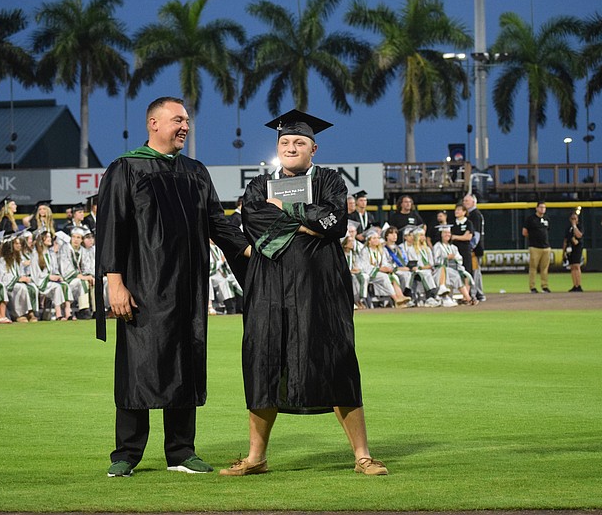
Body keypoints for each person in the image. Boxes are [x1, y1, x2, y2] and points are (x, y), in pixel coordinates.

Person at [220, 109, 386, 477]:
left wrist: (289, 214)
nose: (291, 147)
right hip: (269, 286)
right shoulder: (259, 187)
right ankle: (255, 457)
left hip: (321, 287)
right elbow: (255, 222)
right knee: (264, 361)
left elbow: (336, 222)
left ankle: (362, 456)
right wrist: (309, 223)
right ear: (278, 149)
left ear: (314, 148)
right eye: (285, 142)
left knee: (337, 360)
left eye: (299, 142)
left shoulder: (329, 179)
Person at [95, 96, 250, 478]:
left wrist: (252, 250)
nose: (185, 126)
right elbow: (111, 227)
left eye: (187, 121)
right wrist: (115, 283)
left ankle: (181, 451)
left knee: (186, 363)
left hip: (189, 288)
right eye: (177, 119)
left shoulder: (196, 172)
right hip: (143, 285)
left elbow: (218, 223)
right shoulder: (126, 168)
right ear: (153, 123)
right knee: (138, 366)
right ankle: (127, 453)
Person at [30, 229, 72, 320]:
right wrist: (49, 277)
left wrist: (58, 276)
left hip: (50, 280)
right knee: (57, 287)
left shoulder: (50, 253)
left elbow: (54, 269)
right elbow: (35, 273)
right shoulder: (36, 254)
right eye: (47, 237)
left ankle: (68, 313)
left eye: (50, 237)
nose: (50, 239)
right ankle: (58, 314)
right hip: (41, 282)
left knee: (65, 285)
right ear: (41, 239)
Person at [522, 201, 551, 293]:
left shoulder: (547, 219)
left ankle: (544, 286)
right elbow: (524, 232)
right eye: (541, 207)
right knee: (533, 268)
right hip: (535, 247)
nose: (542, 209)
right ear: (537, 208)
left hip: (546, 247)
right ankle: (532, 287)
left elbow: (547, 230)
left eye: (544, 207)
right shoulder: (531, 219)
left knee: (545, 268)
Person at [462, 194, 486, 301]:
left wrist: (471, 247)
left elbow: (476, 234)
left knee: (474, 271)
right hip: (474, 248)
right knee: (476, 272)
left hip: (475, 249)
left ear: (473, 202)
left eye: (467, 201)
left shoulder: (474, 215)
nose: (465, 202)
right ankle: (479, 293)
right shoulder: (470, 214)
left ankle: (475, 293)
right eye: (464, 201)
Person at [563, 210, 584, 292]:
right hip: (569, 249)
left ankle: (579, 284)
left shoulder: (580, 226)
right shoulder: (568, 228)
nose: (574, 220)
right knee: (572, 267)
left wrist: (575, 226)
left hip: (577, 248)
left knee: (577, 266)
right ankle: (575, 285)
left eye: (575, 218)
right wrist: (563, 252)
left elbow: (579, 235)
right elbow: (565, 240)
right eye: (572, 218)